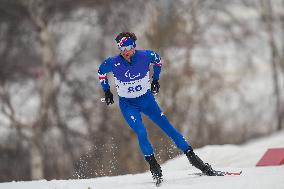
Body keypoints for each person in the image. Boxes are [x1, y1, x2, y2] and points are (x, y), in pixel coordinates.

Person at [98, 32, 223, 183]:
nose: (125, 51)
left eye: (128, 47)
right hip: (128, 104)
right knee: (141, 131)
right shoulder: (113, 63)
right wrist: (107, 90)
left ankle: (197, 161)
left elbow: (158, 61)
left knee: (168, 128)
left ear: (134, 46)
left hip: (147, 100)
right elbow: (101, 72)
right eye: (121, 48)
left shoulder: (145, 56)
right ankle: (154, 166)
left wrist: (155, 80)